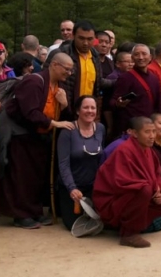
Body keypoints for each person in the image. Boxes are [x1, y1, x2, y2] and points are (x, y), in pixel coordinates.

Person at [0, 53, 75, 229]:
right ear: (54, 65)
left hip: (40, 135)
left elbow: (66, 116)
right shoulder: (34, 81)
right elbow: (29, 112)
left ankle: (34, 211)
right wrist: (53, 123)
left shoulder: (59, 86)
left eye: (71, 70)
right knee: (21, 176)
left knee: (36, 176)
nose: (69, 73)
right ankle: (20, 215)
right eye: (67, 69)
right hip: (20, 133)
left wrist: (63, 105)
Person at [93, 117, 161, 247]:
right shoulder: (124, 150)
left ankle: (130, 224)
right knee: (143, 190)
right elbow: (121, 182)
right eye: (147, 132)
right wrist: (150, 189)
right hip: (114, 200)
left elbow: (157, 175)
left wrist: (158, 191)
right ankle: (129, 234)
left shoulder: (149, 151)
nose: (152, 136)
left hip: (142, 196)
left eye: (153, 131)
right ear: (134, 133)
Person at [57, 95, 106, 230]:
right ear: (78, 111)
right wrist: (72, 188)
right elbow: (63, 164)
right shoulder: (68, 131)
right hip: (72, 188)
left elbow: (100, 160)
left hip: (93, 186)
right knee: (77, 225)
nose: (90, 111)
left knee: (101, 221)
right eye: (86, 107)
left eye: (93, 108)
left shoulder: (101, 128)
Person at [46, 20, 105, 115]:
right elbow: (45, 80)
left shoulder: (95, 56)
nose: (85, 43)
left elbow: (98, 82)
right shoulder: (61, 53)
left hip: (87, 112)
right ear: (73, 36)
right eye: (81, 38)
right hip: (62, 109)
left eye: (90, 39)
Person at [110, 44, 160, 138]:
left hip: (148, 125)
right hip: (132, 127)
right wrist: (118, 103)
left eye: (144, 54)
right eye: (137, 54)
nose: (141, 57)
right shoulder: (125, 77)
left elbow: (156, 103)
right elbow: (112, 102)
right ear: (132, 58)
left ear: (150, 57)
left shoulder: (154, 78)